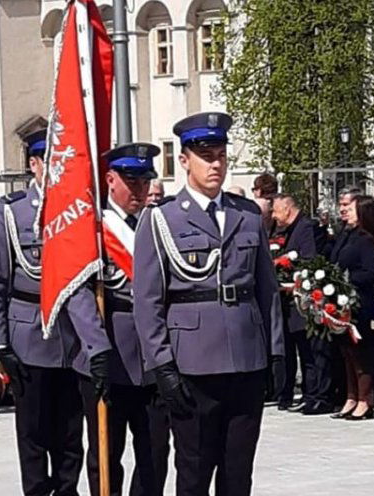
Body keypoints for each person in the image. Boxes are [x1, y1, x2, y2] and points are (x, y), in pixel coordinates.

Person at [132, 112, 284, 496]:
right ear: (184, 161)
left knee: (238, 474)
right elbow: (148, 301)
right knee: (194, 472)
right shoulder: (160, 220)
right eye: (206, 156)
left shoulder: (246, 215)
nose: (215, 164)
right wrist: (161, 364)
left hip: (246, 359)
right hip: (192, 365)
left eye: (220, 155)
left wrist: (277, 352)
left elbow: (265, 288)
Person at [0, 132, 96, 495]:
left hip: (72, 338)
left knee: (70, 431)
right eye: (51, 162)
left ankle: (66, 490)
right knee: (32, 431)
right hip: (28, 335)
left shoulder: (80, 209)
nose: (59, 170)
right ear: (34, 164)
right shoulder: (12, 212)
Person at [77, 143, 170, 496]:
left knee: (156, 451)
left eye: (145, 181)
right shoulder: (93, 228)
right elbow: (78, 291)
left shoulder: (159, 222)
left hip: (153, 357)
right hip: (109, 354)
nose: (140, 190)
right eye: (132, 181)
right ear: (110, 179)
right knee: (105, 453)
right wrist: (95, 347)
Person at [328, 195, 374, 421]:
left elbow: (371, 273)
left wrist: (346, 279)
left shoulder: (365, 239)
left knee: (360, 352)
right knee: (346, 353)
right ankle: (351, 396)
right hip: (341, 301)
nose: (345, 212)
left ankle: (365, 399)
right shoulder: (347, 235)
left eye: (350, 209)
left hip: (358, 302)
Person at [270, 194, 324, 413]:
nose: (273, 216)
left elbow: (308, 259)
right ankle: (289, 392)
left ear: (287, 209)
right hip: (286, 299)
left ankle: (313, 395)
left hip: (300, 298)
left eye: (275, 211)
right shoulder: (285, 231)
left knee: (307, 349)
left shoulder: (304, 228)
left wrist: (288, 271)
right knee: (290, 349)